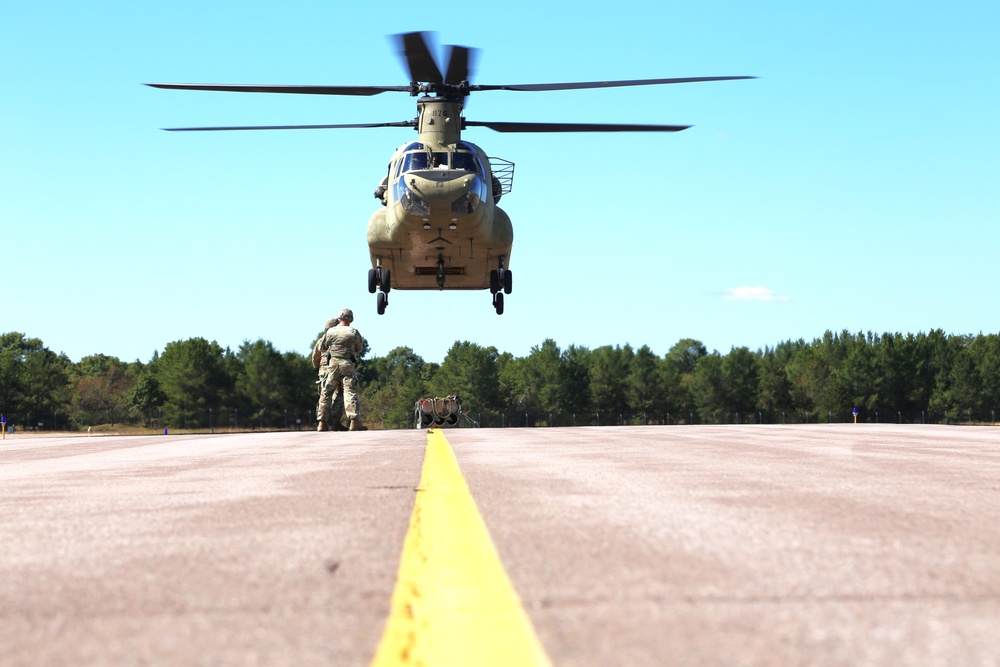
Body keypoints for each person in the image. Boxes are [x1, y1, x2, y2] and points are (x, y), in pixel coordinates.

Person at [316, 308, 366, 431]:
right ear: (351, 319)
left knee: (326, 393)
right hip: (347, 364)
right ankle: (354, 422)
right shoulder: (353, 332)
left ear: (339, 318)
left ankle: (322, 423)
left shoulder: (330, 332)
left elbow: (322, 347)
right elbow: (359, 348)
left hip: (332, 365)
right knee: (349, 391)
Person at [314, 318, 346, 431]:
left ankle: (322, 423)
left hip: (323, 371)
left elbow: (315, 356)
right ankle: (336, 422)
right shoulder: (339, 339)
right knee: (339, 394)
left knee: (324, 395)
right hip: (337, 369)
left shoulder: (321, 340)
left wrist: (316, 368)